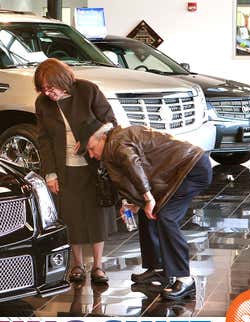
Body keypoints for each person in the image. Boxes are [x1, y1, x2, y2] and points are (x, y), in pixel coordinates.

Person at [86, 123, 212, 300]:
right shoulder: (117, 140)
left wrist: (147, 198)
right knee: (148, 215)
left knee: (166, 218)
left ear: (103, 138)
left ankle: (185, 279)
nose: (92, 155)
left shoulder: (115, 143)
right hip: (178, 172)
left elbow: (134, 165)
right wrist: (138, 203)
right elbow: (147, 167)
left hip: (191, 169)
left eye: (92, 148)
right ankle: (158, 268)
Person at [34, 58, 116, 284]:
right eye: (44, 89)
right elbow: (44, 140)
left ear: (62, 80)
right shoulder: (42, 103)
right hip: (64, 167)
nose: (48, 93)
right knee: (71, 218)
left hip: (93, 165)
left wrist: (91, 136)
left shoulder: (88, 90)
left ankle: (98, 266)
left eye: (51, 88)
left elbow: (110, 122)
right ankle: (77, 265)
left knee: (96, 216)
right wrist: (49, 173)